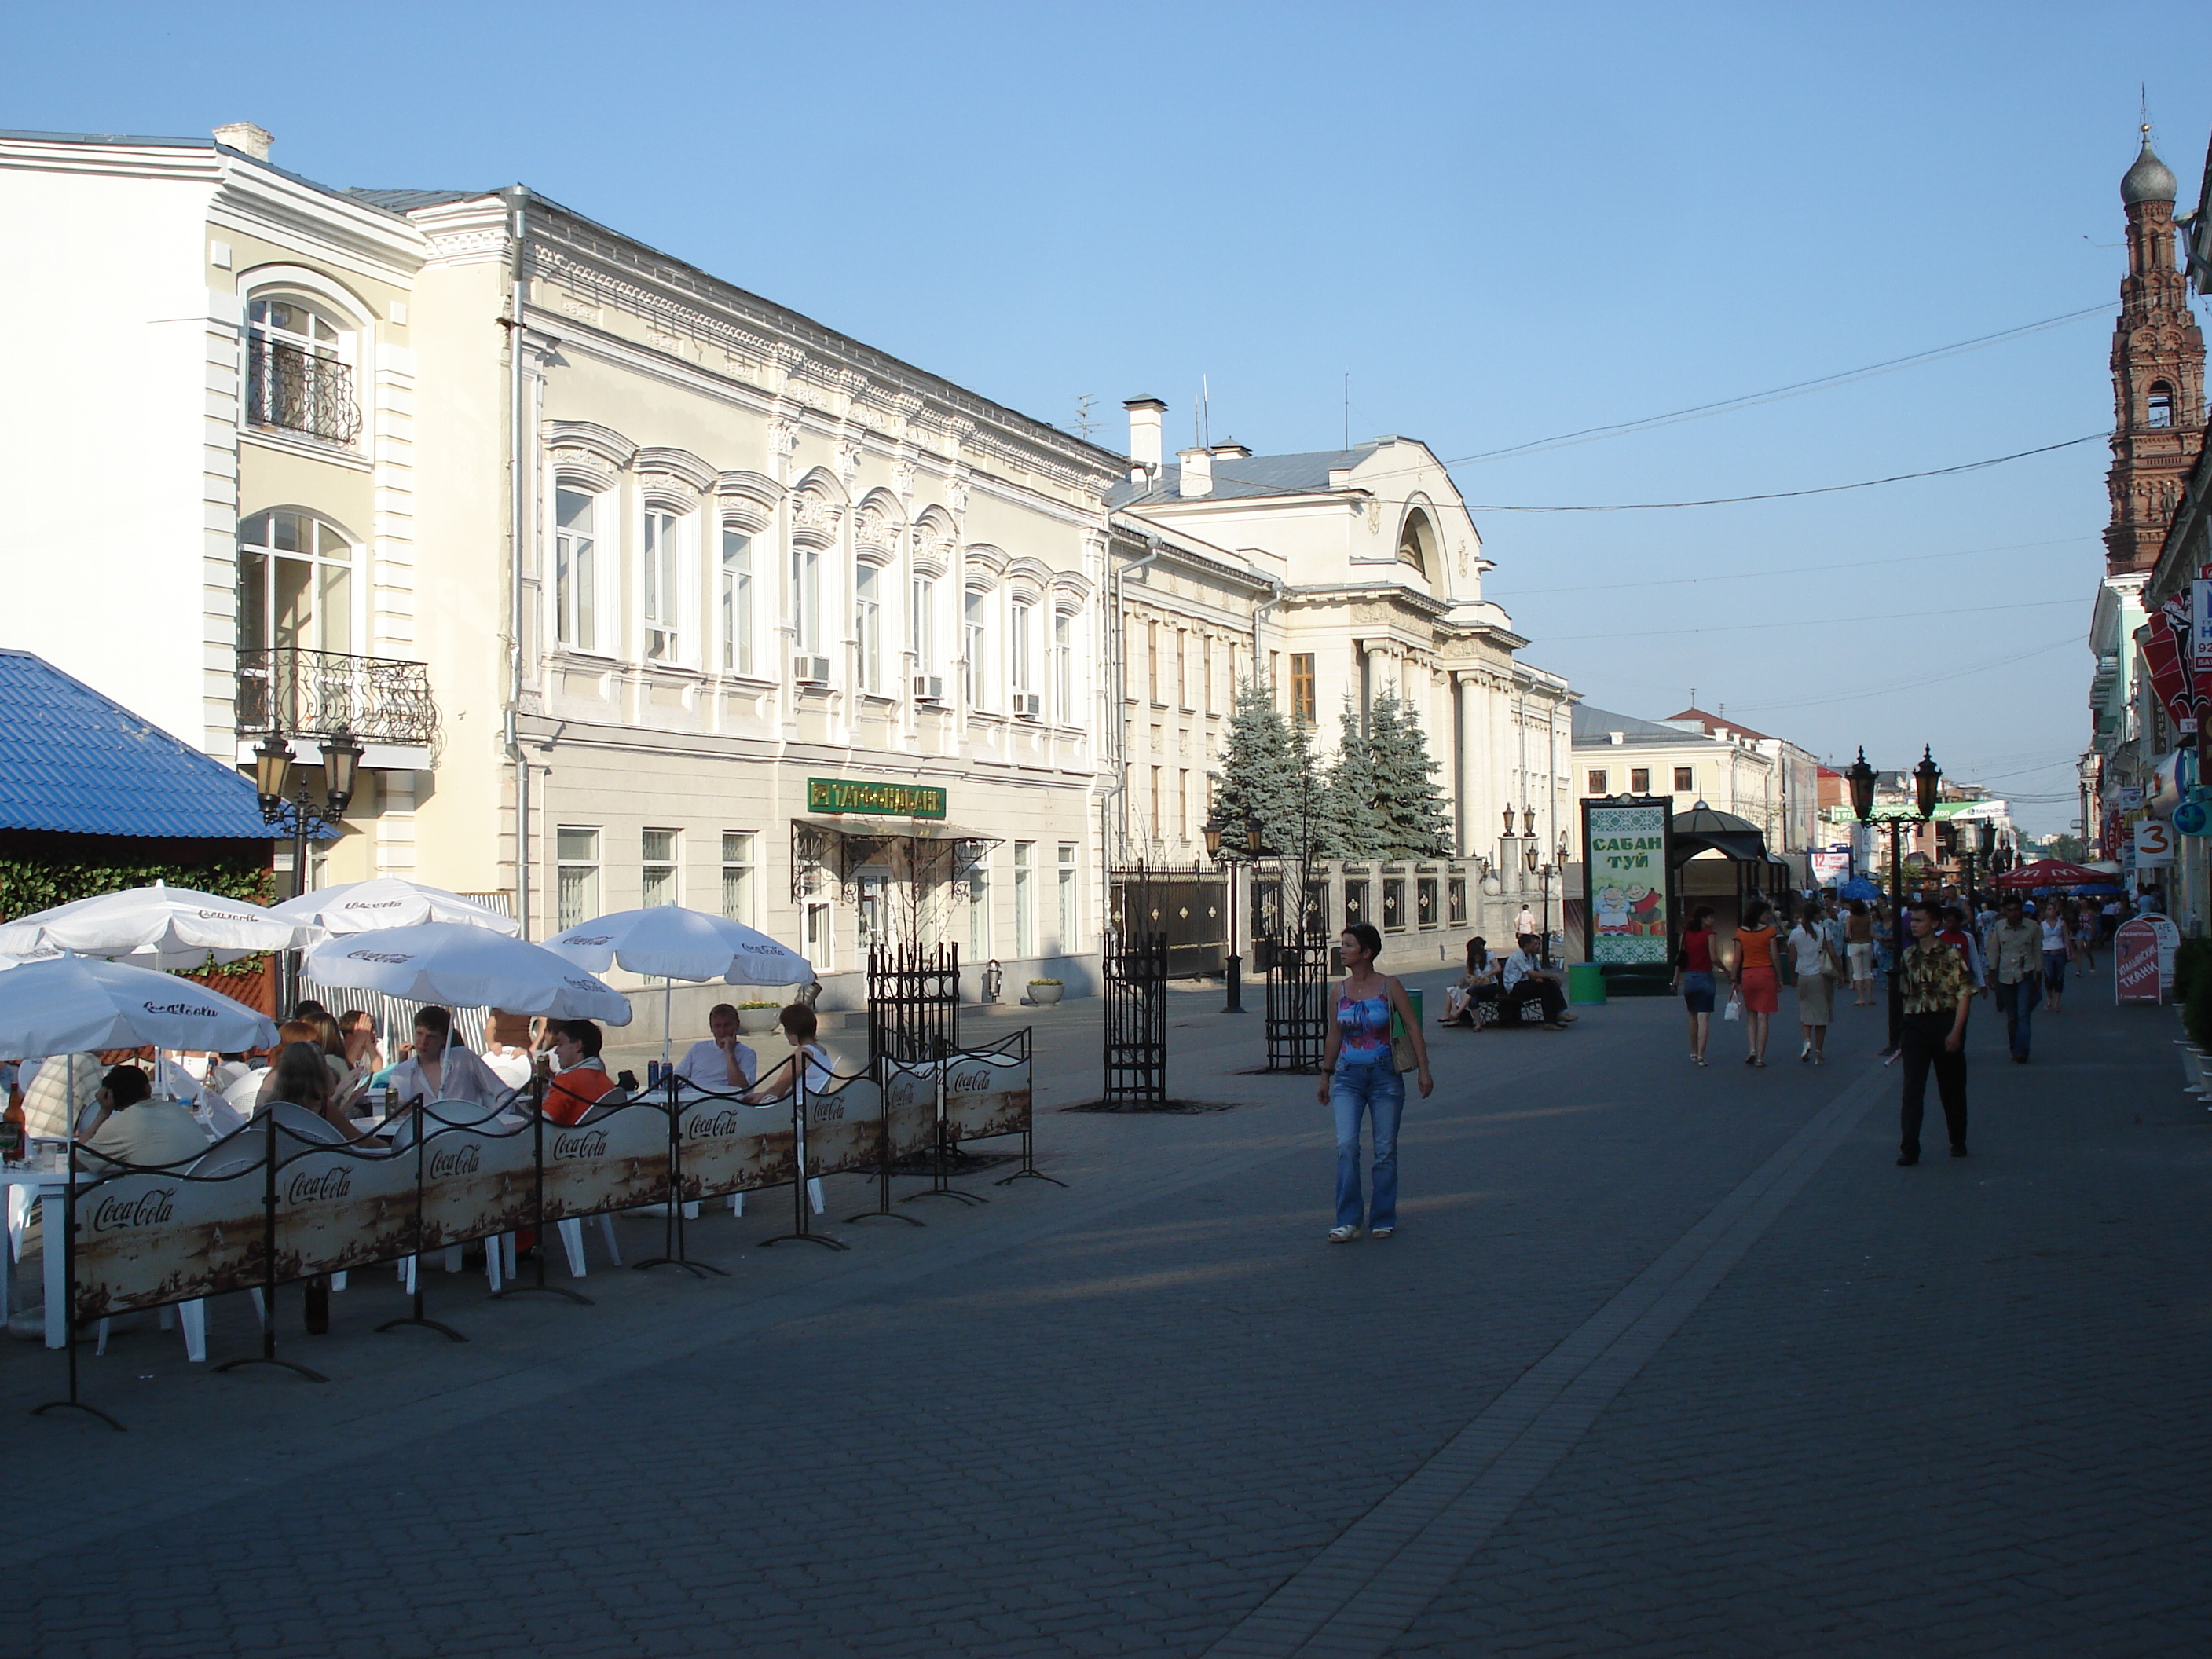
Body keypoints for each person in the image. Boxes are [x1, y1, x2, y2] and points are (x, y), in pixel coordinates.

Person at [1313, 922, 1431, 1243]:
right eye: (1342, 944)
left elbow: (1412, 1028)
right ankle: (1348, 1219)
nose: (1341, 950)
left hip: (1385, 1077)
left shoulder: (1389, 987)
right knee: (1347, 1146)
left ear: (1366, 952)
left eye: (1348, 945)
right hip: (1348, 1077)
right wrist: (1326, 1074)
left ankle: (1382, 1217)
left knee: (1384, 1150)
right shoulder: (1338, 990)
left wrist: (1423, 1069)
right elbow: (1334, 1032)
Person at [1896, 899, 1975, 1166]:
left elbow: (1964, 993)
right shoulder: (1908, 956)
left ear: (1934, 924)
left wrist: (1956, 1032)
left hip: (1944, 1024)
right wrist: (1904, 1034)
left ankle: (1958, 1139)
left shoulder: (1950, 955)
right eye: (1913, 920)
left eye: (1919, 920)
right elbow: (1905, 994)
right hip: (1916, 1026)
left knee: (1951, 1089)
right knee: (1912, 1089)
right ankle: (1909, 1148)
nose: (1914, 925)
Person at [382, 1005, 515, 1116]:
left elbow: (504, 1093)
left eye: (431, 1037)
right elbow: (394, 1117)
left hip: (470, 1136)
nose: (423, 1042)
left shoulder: (464, 1058)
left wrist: (495, 1123)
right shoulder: (400, 1072)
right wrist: (399, 1112)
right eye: (419, 1034)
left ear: (444, 1039)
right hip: (422, 1140)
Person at [78, 1064, 209, 1168]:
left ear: (108, 1095)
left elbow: (77, 1164)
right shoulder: (178, 1111)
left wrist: (103, 1113)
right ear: (148, 1089)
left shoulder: (118, 1126)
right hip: (204, 1192)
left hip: (162, 1198)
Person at [261, 1039, 361, 1140]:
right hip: (321, 1155)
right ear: (321, 1073)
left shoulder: (269, 1109)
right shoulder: (322, 1109)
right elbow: (360, 1141)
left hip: (282, 1155)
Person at [1987, 893, 2043, 1064]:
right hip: (2005, 975)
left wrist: (2039, 975)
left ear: (2021, 910)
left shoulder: (2033, 927)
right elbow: (1994, 951)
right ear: (2004, 911)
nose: (2013, 914)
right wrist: (1992, 973)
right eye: (2009, 910)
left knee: (2023, 1014)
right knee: (2012, 1016)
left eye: (2016, 910)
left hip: (2025, 974)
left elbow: (2037, 951)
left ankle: (2022, 1051)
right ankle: (2014, 1046)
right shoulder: (1999, 927)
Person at [744, 1004, 838, 1105]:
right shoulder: (821, 1050)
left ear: (791, 1031)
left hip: (797, 1108)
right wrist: (761, 1095)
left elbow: (778, 1090)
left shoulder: (802, 1054)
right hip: (812, 1106)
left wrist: (756, 1098)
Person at [1733, 899, 1781, 1066]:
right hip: (1766, 973)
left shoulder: (1741, 932)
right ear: (1759, 914)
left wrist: (1734, 977)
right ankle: (1761, 1056)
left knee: (1751, 1014)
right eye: (1766, 913)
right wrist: (1779, 978)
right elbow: (1774, 955)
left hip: (1748, 975)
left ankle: (1752, 1049)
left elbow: (1737, 958)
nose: (1769, 916)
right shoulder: (1770, 931)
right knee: (1763, 1016)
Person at [542, 1020, 617, 1125]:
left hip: (566, 1139)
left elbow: (544, 1119)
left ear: (578, 1046)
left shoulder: (567, 1080)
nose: (556, 1051)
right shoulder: (609, 1083)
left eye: (560, 1044)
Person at [1788, 904, 1836, 1064]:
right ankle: (1818, 1052)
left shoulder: (1795, 933)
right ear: (1816, 915)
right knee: (1822, 1015)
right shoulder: (1823, 931)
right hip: (1819, 975)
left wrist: (1792, 977)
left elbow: (1792, 958)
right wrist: (1841, 973)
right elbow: (1832, 953)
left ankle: (1806, 1041)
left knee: (1806, 1011)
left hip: (1803, 975)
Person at [1673, 906, 1721, 1066]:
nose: (1713, 921)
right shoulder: (1710, 935)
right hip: (1705, 976)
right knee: (1704, 1017)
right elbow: (1714, 957)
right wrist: (1727, 971)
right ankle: (1701, 1054)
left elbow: (1681, 959)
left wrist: (1675, 981)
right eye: (1711, 918)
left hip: (1690, 978)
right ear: (1703, 919)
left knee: (1692, 1017)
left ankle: (1693, 1052)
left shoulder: (1685, 935)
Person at [676, 1003, 760, 1093]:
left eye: (727, 1025)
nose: (722, 1031)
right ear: (711, 1028)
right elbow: (677, 1076)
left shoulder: (747, 1054)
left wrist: (730, 1054)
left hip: (726, 1103)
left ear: (737, 1025)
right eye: (717, 1026)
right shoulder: (698, 1048)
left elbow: (741, 1088)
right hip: (694, 1100)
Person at [1500, 933, 1571, 1028]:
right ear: (1527, 945)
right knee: (1547, 984)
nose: (1537, 946)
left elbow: (1538, 972)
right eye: (1534, 944)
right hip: (1514, 987)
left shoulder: (1530, 956)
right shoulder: (1518, 956)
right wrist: (1552, 976)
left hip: (1524, 984)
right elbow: (1531, 973)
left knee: (1547, 987)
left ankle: (1552, 1020)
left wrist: (1545, 978)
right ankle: (1557, 1014)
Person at [1440, 939, 1499, 1028]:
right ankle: (1470, 1021)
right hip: (1476, 985)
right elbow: (1468, 973)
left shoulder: (1490, 955)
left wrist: (1486, 975)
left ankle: (1457, 1013)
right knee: (1455, 990)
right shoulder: (1470, 960)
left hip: (1489, 986)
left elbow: (1498, 968)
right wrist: (1471, 976)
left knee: (1472, 990)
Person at [2040, 903, 2070, 1013]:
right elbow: (2039, 941)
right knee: (2049, 976)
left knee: (2059, 977)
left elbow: (2066, 937)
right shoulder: (2042, 925)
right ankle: (2049, 997)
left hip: (2060, 951)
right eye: (2049, 909)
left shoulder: (2062, 923)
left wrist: (2070, 952)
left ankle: (2057, 1002)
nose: (2052, 911)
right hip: (2047, 952)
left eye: (2053, 909)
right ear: (2046, 911)